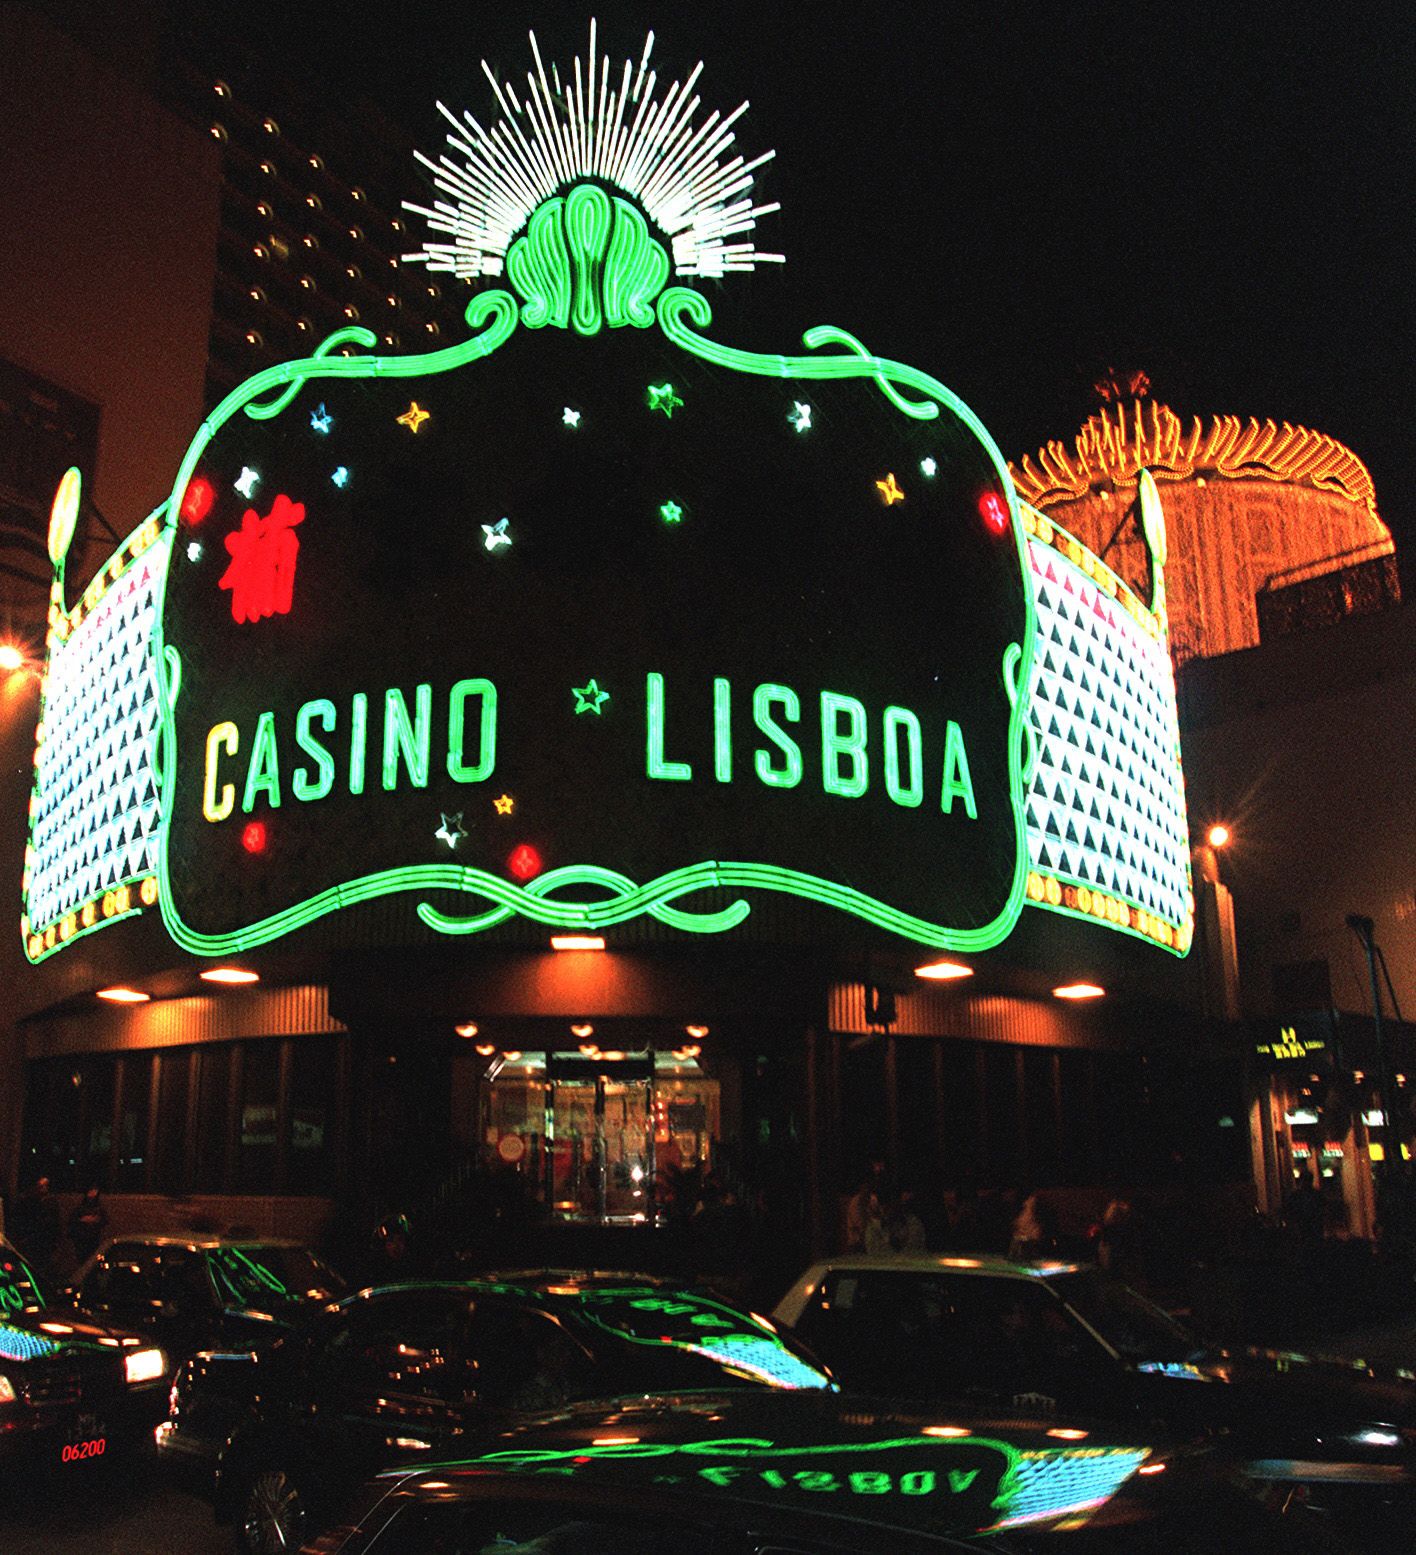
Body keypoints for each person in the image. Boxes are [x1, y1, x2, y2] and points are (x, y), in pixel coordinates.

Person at [67, 1185, 109, 1267]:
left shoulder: (99, 1208)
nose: (91, 1199)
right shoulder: (80, 1208)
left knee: (93, 1261)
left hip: (94, 1239)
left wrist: (96, 1220)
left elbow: (105, 1220)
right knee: (83, 1261)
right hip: (82, 1240)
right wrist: (83, 1220)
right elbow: (72, 1221)